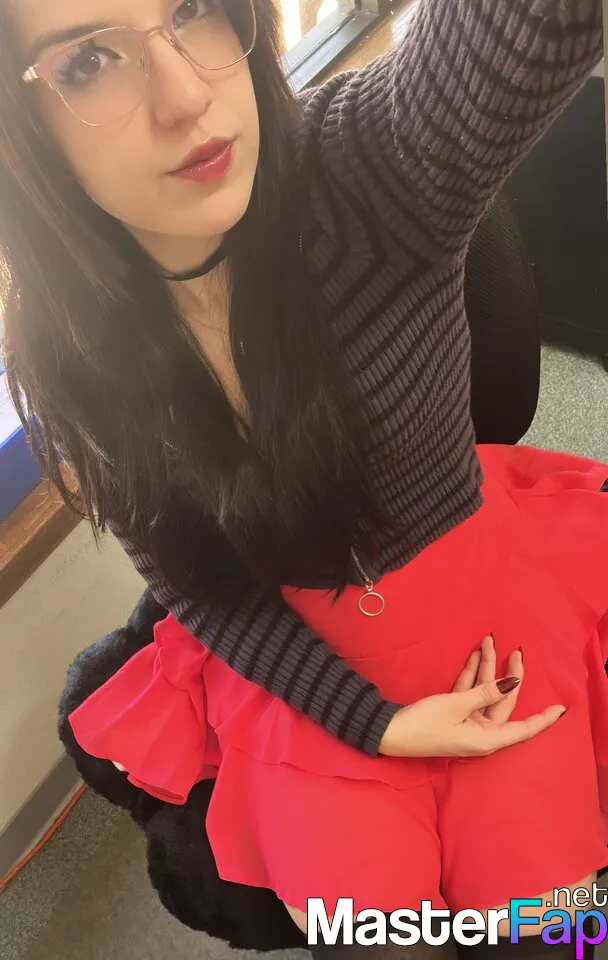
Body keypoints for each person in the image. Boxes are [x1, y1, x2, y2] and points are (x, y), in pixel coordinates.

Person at [2, 0, 607, 955]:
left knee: (549, 928)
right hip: (312, 674)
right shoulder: (69, 342)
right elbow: (190, 580)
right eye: (87, 63)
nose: (187, 94)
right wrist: (376, 725)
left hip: (493, 625)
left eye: (194, 10)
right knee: (366, 933)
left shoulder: (369, 168)